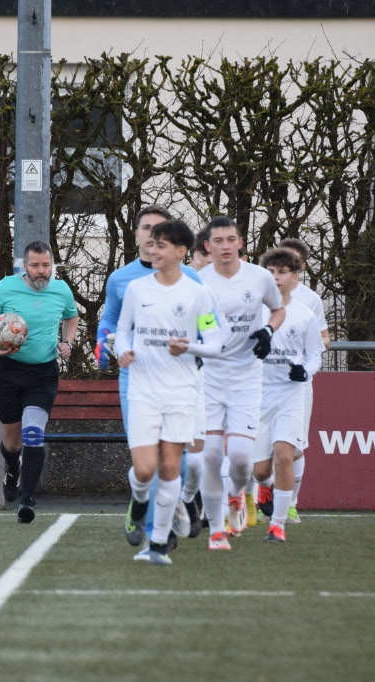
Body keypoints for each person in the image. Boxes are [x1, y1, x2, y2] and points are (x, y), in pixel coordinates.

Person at [95, 205, 204, 558]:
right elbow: (111, 322)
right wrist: (105, 344)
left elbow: (207, 327)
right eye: (147, 228)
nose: (153, 236)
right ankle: (158, 532)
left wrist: (201, 349)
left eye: (160, 230)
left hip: (179, 381)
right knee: (148, 462)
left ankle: (177, 504)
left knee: (178, 462)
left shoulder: (193, 281)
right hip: (136, 378)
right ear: (138, 234)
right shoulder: (122, 280)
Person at [115, 219, 226, 565]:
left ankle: (158, 544)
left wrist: (189, 347)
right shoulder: (137, 289)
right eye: (152, 243)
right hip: (143, 391)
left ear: (181, 252)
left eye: (161, 245)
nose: (153, 250)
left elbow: (216, 342)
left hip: (181, 394)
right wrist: (122, 350)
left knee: (169, 469)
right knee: (144, 470)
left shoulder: (197, 294)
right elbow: (123, 329)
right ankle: (139, 499)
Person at [197, 216, 284, 550]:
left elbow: (278, 310)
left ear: (240, 242)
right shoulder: (198, 282)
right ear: (208, 246)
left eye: (231, 239)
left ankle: (236, 494)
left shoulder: (259, 277)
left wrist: (268, 331)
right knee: (210, 456)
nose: (225, 246)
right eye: (218, 241)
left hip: (247, 377)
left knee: (242, 458)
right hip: (209, 377)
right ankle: (216, 530)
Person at [0, 241, 79, 524]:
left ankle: (27, 500)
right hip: (8, 371)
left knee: (33, 433)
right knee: (13, 442)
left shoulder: (61, 290)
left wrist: (67, 342)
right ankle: (12, 469)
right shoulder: (4, 288)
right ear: (24, 266)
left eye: (46, 265)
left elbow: (72, 317)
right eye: (35, 265)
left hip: (42, 374)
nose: (41, 271)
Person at [250, 247, 325, 542]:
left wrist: (304, 372)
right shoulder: (253, 311)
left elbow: (315, 355)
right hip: (257, 395)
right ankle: (266, 487)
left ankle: (277, 524)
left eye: (282, 272)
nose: (276, 277)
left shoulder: (305, 315)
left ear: (295, 277)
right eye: (270, 272)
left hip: (290, 394)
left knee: (285, 456)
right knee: (259, 470)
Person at [275, 237, 330, 524]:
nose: (284, 268)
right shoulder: (261, 294)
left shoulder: (310, 300)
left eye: (292, 262)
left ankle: (291, 504)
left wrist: (305, 357)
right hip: (263, 383)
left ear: (302, 267)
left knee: (294, 447)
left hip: (296, 386)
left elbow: (324, 340)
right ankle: (255, 500)